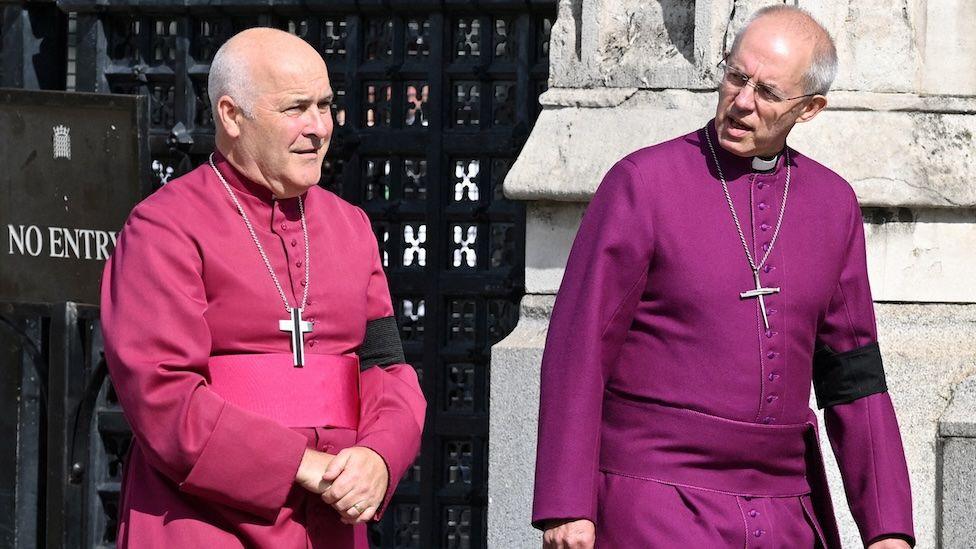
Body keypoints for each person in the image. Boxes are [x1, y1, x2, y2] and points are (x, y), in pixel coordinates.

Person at [532, 6, 914, 549]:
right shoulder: (643, 183)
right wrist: (565, 504)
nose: (741, 102)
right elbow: (579, 346)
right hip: (653, 501)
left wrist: (888, 527)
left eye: (767, 92)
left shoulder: (832, 205)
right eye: (736, 76)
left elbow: (852, 372)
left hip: (785, 515)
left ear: (809, 109)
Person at [100, 27, 426, 548]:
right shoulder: (164, 229)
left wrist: (379, 458)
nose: (319, 127)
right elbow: (163, 396)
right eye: (296, 108)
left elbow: (384, 366)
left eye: (325, 105)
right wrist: (303, 465)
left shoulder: (351, 228)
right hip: (203, 520)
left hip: (331, 521)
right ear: (231, 116)